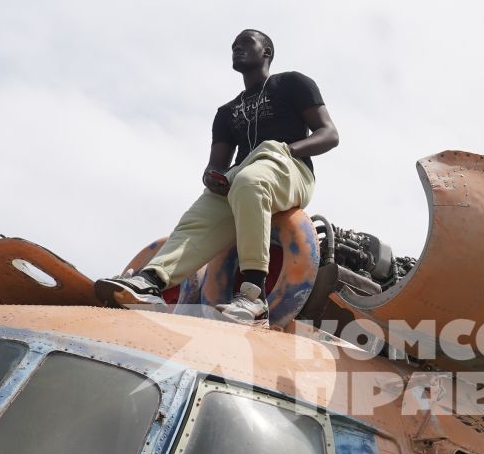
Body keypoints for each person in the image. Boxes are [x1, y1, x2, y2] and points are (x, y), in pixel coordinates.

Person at [97, 29, 338, 323]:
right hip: (242, 176)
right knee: (201, 213)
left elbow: (329, 134)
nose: (237, 49)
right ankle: (152, 280)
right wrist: (212, 177)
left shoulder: (291, 83)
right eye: (233, 46)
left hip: (290, 168)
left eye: (246, 44)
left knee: (253, 177)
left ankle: (253, 296)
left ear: (267, 52)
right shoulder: (226, 112)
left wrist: (286, 150)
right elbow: (217, 165)